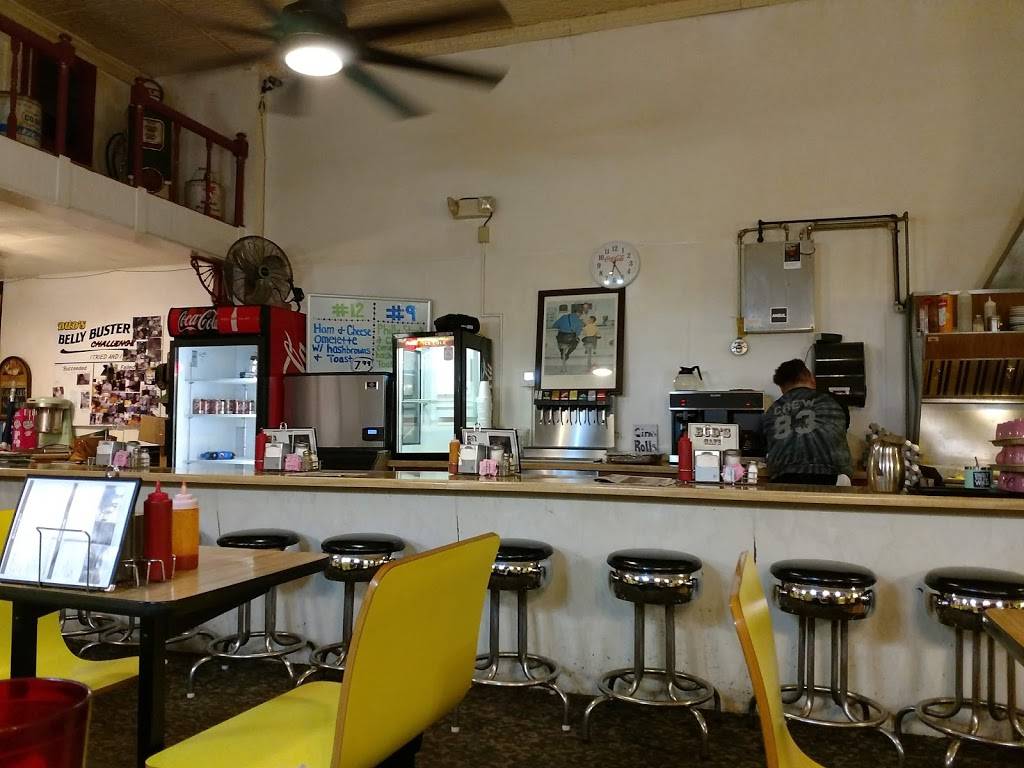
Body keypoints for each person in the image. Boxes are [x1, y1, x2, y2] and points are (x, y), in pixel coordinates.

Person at [762, 359, 853, 485]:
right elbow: (841, 432)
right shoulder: (834, 401)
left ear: (782, 388)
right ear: (810, 378)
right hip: (832, 476)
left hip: (783, 477)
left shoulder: (772, 410)